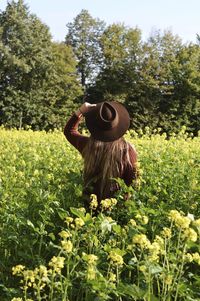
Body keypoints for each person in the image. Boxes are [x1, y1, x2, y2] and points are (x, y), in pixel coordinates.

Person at [64, 101, 138, 210]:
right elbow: (132, 184)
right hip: (116, 210)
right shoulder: (128, 151)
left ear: (94, 126)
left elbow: (69, 131)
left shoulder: (88, 146)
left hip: (88, 209)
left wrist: (80, 111)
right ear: (118, 125)